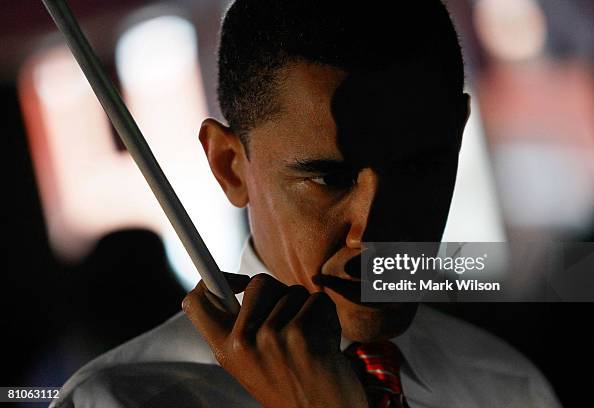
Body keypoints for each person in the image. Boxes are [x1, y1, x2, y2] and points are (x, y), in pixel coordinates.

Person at [52, 1, 561, 407]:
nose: (376, 229)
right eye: (328, 178)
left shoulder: (508, 385)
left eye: (418, 169)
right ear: (230, 166)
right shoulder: (123, 400)